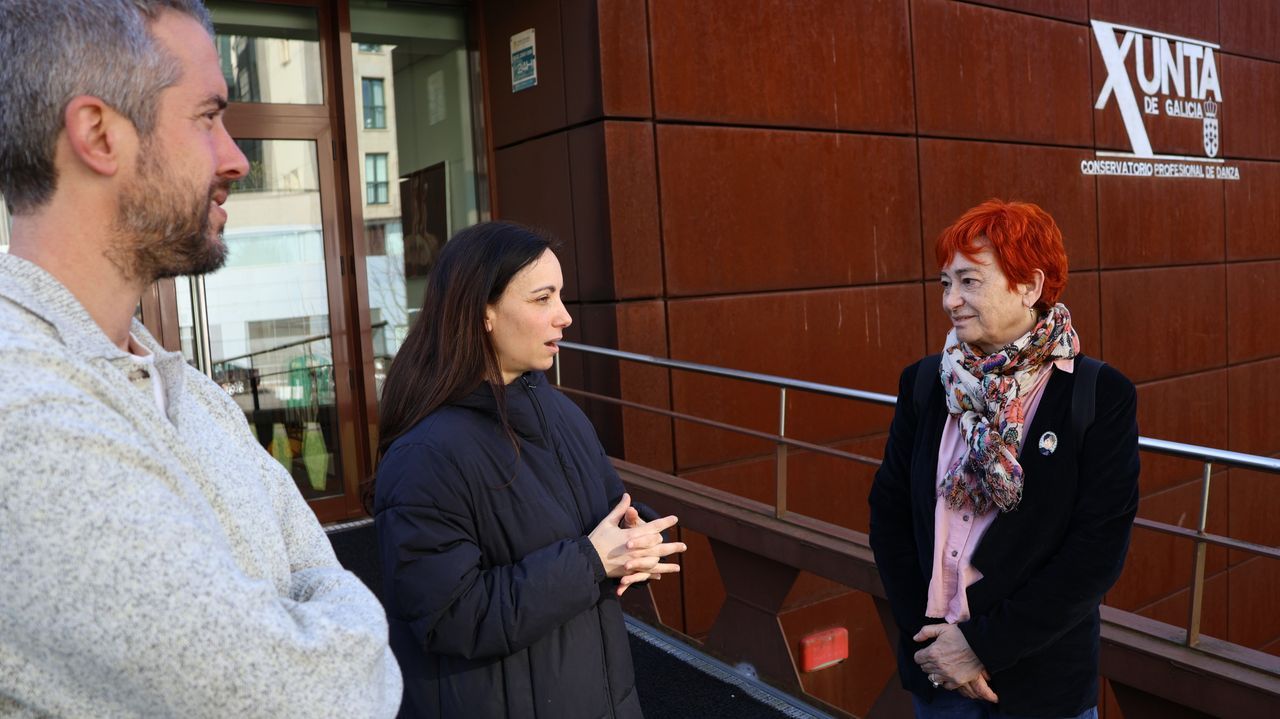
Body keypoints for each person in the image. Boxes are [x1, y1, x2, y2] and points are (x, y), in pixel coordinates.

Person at [0, 1, 401, 716]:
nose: (237, 158)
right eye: (208, 117)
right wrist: (332, 623)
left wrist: (317, 621)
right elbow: (316, 696)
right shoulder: (21, 406)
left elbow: (323, 582)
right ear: (97, 133)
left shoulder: (186, 389)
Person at [373, 221, 687, 718]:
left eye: (560, 296)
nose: (564, 317)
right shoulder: (424, 455)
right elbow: (449, 617)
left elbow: (601, 518)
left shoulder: (560, 413)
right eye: (543, 299)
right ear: (483, 315)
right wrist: (591, 561)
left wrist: (636, 535)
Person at [868, 200, 1140, 718]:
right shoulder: (926, 383)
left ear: (1030, 286)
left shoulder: (1098, 394)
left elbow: (1095, 552)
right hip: (937, 677)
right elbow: (890, 515)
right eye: (945, 283)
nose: (951, 301)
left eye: (970, 282)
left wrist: (980, 647)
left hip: (1040, 689)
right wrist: (933, 645)